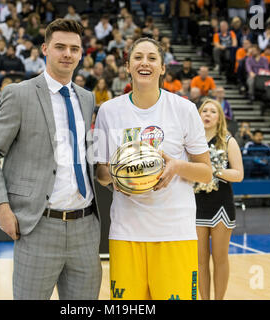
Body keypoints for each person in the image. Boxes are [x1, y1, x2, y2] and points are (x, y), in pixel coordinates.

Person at [0, 19, 102, 300]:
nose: (67, 54)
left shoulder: (86, 98)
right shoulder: (19, 94)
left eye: (74, 48)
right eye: (60, 47)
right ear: (45, 49)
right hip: (38, 225)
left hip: (85, 227)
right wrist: (2, 208)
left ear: (81, 53)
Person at [93, 37, 212, 300]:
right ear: (127, 66)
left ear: (162, 68)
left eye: (151, 58)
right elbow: (101, 175)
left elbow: (206, 172)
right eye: (137, 57)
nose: (144, 63)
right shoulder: (109, 112)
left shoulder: (184, 109)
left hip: (174, 232)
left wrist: (177, 166)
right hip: (126, 231)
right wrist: (120, 176)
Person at [195, 99, 243, 300]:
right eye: (204, 110)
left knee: (220, 258)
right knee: (200, 260)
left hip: (221, 205)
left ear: (219, 117)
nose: (207, 114)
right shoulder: (191, 141)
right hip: (196, 205)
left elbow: (238, 174)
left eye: (212, 111)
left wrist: (214, 170)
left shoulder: (228, 140)